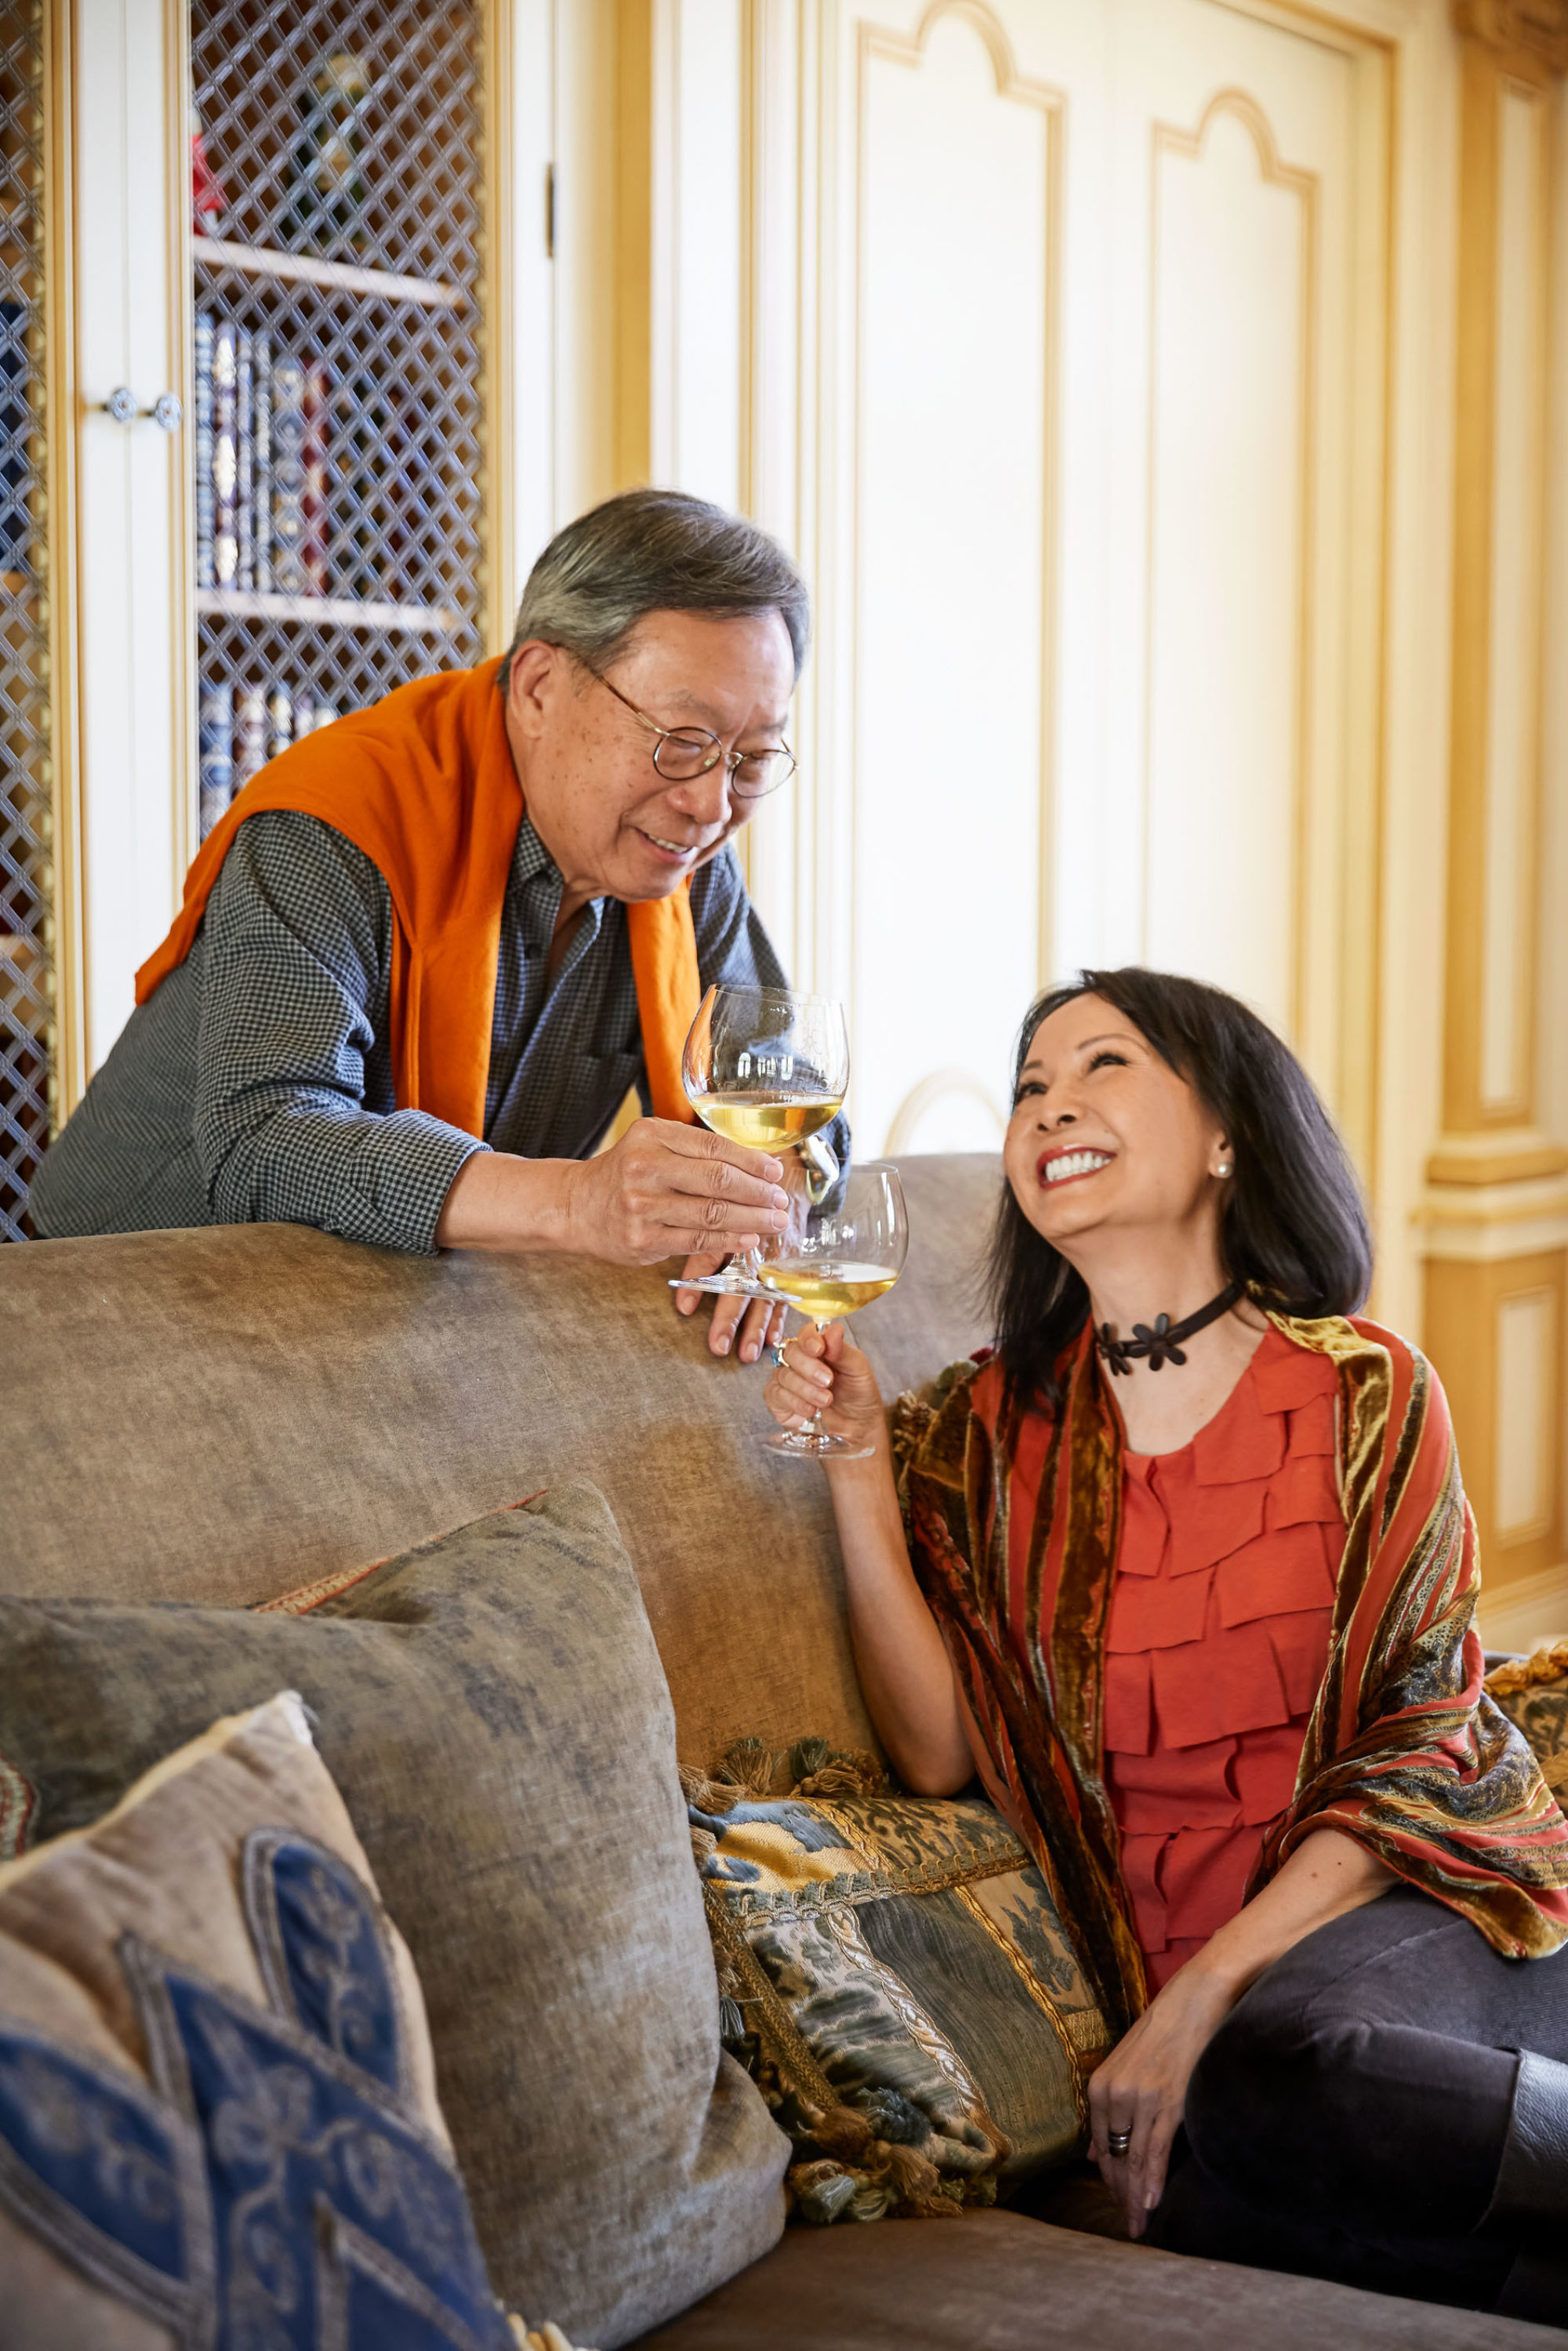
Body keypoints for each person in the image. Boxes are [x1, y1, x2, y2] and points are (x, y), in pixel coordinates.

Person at [764, 967, 1568, 2321]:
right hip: (1233, 2053)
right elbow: (939, 1748)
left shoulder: (1368, 1389)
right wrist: (853, 1468)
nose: (1051, 1103)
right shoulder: (974, 1437)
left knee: (1283, 2060)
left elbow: (1425, 1741)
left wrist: (1196, 1999)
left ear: (1226, 1137)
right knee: (1215, 2191)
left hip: (1419, 1923)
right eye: (1029, 1084)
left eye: (1103, 1065)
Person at [29, 488, 844, 1364]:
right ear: (538, 685)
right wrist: (577, 1203)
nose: (713, 803)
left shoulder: (678, 860)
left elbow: (789, 1098)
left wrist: (769, 1198)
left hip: (387, 1318)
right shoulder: (335, 825)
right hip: (113, 1310)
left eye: (753, 758)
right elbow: (264, 1139)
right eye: (681, 739)